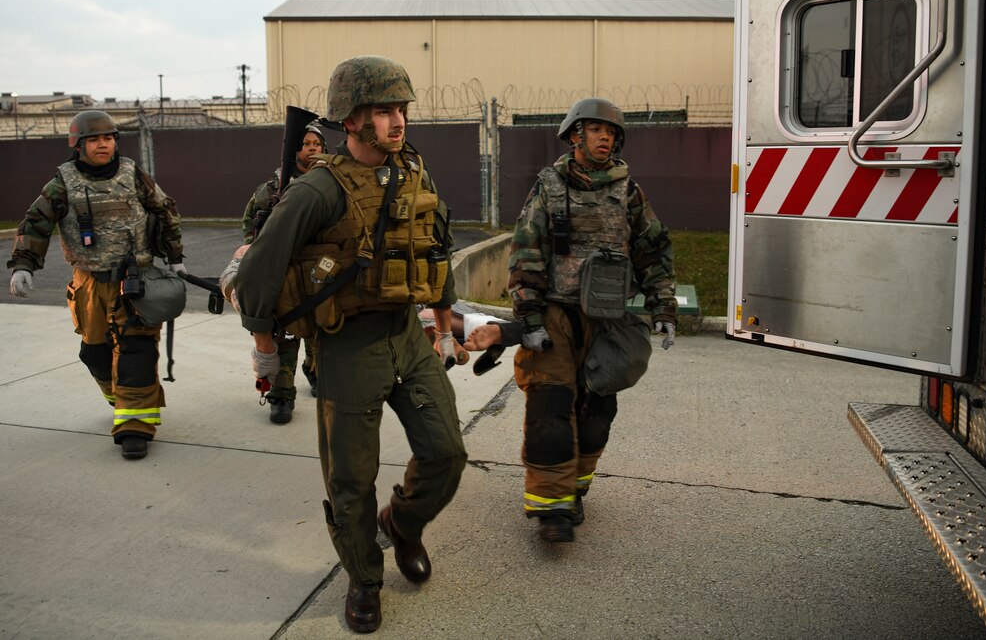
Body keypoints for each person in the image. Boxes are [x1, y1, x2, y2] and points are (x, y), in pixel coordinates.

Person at [233, 55, 468, 634]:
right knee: (349, 481)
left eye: (401, 109)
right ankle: (364, 579)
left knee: (445, 452)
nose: (398, 121)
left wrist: (444, 326)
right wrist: (266, 347)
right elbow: (260, 270)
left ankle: (404, 524)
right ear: (352, 119)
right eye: (384, 110)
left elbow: (436, 249)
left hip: (408, 338)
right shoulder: (318, 189)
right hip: (346, 348)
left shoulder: (414, 171)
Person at [508, 97, 678, 542]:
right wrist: (528, 313)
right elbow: (527, 247)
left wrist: (663, 305)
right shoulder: (549, 186)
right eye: (597, 130)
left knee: (597, 410)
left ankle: (575, 490)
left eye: (612, 132)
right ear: (575, 135)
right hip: (556, 314)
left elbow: (653, 250)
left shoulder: (629, 190)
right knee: (549, 407)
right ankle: (551, 509)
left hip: (609, 317)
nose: (606, 138)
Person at [7, 110, 186, 460]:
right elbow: (36, 222)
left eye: (108, 138)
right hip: (89, 282)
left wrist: (175, 256)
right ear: (79, 145)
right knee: (94, 352)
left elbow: (165, 211)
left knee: (136, 350)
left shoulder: (134, 174)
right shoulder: (63, 182)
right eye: (95, 140)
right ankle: (119, 398)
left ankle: (135, 423)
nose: (103, 144)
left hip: (135, 282)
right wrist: (23, 265)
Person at [240, 120, 326, 423]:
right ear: (293, 151)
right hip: (285, 274)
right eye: (305, 144)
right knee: (285, 334)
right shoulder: (273, 190)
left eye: (317, 144)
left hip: (322, 274)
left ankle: (316, 375)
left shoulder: (334, 183)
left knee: (322, 335)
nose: (312, 149)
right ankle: (281, 396)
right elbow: (251, 228)